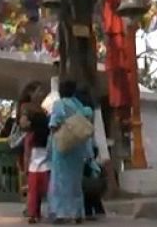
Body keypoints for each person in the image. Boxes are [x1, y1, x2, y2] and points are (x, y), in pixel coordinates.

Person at [49, 79, 95, 224]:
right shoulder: (78, 105)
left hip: (63, 147)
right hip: (77, 148)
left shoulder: (58, 105)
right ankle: (77, 213)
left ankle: (61, 213)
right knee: (75, 182)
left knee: (60, 181)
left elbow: (54, 124)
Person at [24, 110, 52, 224]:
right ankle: (53, 212)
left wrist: (25, 169)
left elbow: (27, 154)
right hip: (46, 168)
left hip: (33, 168)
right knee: (49, 193)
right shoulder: (49, 136)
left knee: (33, 193)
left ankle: (33, 214)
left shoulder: (30, 136)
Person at [82, 146, 107, 220]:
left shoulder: (85, 165)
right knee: (96, 200)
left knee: (87, 201)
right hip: (97, 188)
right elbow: (104, 177)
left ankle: (88, 213)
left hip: (87, 188)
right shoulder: (97, 165)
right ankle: (99, 212)